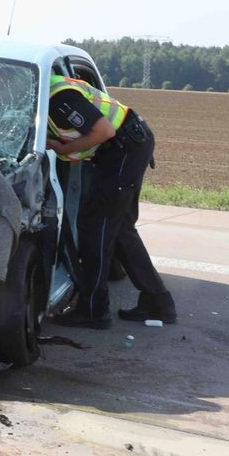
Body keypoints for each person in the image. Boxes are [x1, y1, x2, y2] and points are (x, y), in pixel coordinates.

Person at [45, 74, 176, 329]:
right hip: (128, 145)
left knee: (96, 228)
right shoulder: (50, 88)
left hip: (122, 149)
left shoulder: (58, 96)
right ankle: (158, 303)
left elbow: (104, 130)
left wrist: (62, 150)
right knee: (119, 231)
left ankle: (94, 311)